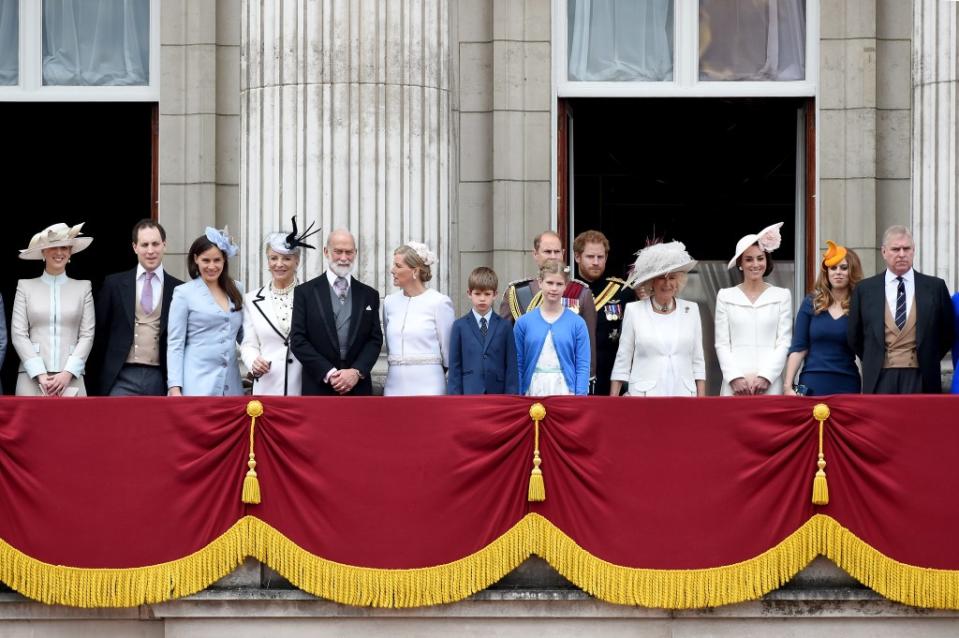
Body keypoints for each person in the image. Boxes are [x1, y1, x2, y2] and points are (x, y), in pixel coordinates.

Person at [849, 225, 954, 394]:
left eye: (907, 248)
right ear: (884, 252)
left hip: (922, 376)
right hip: (879, 377)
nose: (902, 254)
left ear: (914, 250)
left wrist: (928, 357)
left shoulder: (935, 287)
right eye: (895, 249)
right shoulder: (865, 289)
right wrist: (875, 358)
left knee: (918, 420)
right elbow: (855, 336)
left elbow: (947, 333)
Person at [92, 219, 184, 396]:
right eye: (144, 244)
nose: (150, 250)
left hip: (160, 377)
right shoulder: (114, 284)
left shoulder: (179, 289)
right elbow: (100, 335)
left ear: (164, 245)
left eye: (155, 244)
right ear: (135, 247)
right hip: (119, 376)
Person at [290, 229, 383, 396]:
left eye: (349, 252)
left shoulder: (369, 295)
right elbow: (298, 339)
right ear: (326, 252)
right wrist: (329, 373)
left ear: (355, 253)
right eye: (338, 251)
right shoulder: (305, 292)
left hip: (358, 387)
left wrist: (356, 372)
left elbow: (374, 339)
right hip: (318, 387)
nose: (343, 257)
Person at [610, 241, 705, 397]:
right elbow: (623, 359)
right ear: (651, 282)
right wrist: (613, 401)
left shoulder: (691, 310)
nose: (667, 283)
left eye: (672, 277)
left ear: (678, 281)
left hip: (683, 395)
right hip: (645, 396)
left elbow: (698, 360)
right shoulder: (634, 311)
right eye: (661, 277)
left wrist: (701, 401)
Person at [499, 231, 597, 380]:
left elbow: (588, 348)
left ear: (563, 254)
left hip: (566, 381)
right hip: (528, 379)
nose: (552, 256)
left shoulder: (581, 292)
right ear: (535, 254)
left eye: (556, 251)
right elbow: (504, 343)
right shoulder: (517, 292)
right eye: (547, 251)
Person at [11, 222, 95, 396]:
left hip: (72, 377)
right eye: (53, 247)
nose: (59, 252)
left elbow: (87, 334)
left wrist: (67, 373)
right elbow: (18, 334)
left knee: (74, 424)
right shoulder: (25, 287)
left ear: (70, 252)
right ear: (43, 251)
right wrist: (39, 373)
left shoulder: (84, 288)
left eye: (64, 247)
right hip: (31, 378)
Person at [241, 219, 319, 396]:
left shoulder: (312, 297)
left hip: (304, 387)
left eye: (286, 258)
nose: (279, 264)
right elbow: (248, 344)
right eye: (273, 258)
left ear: (297, 261)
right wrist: (254, 361)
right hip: (267, 386)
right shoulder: (251, 300)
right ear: (267, 260)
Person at [715, 222, 792, 396]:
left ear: (767, 261)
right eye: (749, 259)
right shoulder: (725, 296)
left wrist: (766, 376)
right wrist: (734, 377)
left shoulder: (782, 296)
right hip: (735, 385)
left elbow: (784, 342)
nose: (755, 264)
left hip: (769, 384)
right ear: (740, 263)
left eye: (760, 258)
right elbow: (722, 343)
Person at [166, 227, 244, 396]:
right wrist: (174, 387)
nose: (212, 266)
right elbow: (175, 344)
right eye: (205, 260)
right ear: (196, 260)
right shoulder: (183, 293)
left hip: (231, 385)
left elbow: (245, 336)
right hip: (196, 384)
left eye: (217, 260)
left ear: (224, 260)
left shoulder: (237, 288)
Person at [784, 241, 863, 396]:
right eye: (833, 268)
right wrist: (788, 386)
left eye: (844, 267)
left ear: (852, 271)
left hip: (847, 383)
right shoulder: (811, 302)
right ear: (826, 272)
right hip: (811, 383)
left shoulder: (859, 306)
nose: (838, 272)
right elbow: (799, 347)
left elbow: (867, 352)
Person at [383, 242, 456, 396]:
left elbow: (449, 353)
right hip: (394, 387)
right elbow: (391, 348)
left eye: (398, 266)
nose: (392, 270)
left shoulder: (439, 302)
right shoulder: (389, 302)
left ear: (415, 271)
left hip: (429, 386)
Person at [514, 259, 591, 396]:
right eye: (549, 283)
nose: (554, 288)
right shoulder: (523, 322)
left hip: (565, 389)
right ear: (540, 283)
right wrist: (518, 395)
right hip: (533, 388)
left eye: (559, 284)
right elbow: (518, 363)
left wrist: (580, 398)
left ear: (566, 286)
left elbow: (582, 365)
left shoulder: (577, 323)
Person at [573, 230, 636, 395]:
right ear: (577, 257)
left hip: (611, 379)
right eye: (590, 257)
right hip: (574, 377)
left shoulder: (622, 292)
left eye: (600, 257)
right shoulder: (566, 291)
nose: (596, 262)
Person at [447, 266, 518, 395]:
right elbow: (455, 366)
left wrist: (511, 396)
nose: (482, 299)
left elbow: (511, 365)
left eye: (487, 294)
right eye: (477, 293)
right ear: (469, 293)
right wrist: (454, 398)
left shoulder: (505, 326)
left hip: (498, 393)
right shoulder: (459, 326)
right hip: (469, 392)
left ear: (495, 295)